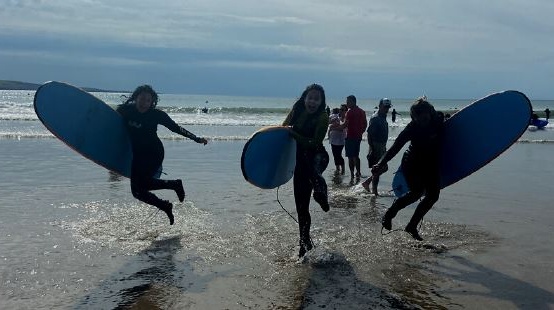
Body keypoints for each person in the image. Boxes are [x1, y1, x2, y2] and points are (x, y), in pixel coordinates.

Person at [117, 85, 208, 225]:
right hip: (137, 154)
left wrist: (196, 138)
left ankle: (173, 189)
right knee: (137, 192)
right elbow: (110, 125)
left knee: (142, 186)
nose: (144, 103)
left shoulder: (156, 115)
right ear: (136, 98)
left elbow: (176, 128)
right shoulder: (125, 111)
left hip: (154, 153)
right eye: (142, 99)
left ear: (151, 102)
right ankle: (167, 201)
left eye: (148, 100)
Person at [372, 97, 444, 241]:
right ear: (413, 117)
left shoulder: (438, 120)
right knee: (416, 192)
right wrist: (380, 163)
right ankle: (390, 213)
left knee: (433, 196)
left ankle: (411, 226)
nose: (421, 122)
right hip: (412, 163)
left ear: (430, 113)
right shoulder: (412, 128)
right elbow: (395, 147)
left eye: (424, 118)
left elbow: (453, 126)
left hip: (431, 162)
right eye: (417, 119)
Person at [282, 84, 330, 258]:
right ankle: (304, 242)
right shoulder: (296, 111)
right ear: (304, 98)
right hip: (300, 162)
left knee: (314, 174)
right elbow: (283, 129)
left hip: (318, 157)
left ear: (321, 102)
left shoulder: (323, 117)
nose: (313, 101)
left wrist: (294, 135)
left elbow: (315, 143)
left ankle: (321, 194)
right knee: (302, 208)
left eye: (317, 99)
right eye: (310, 97)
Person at [362, 98, 391, 194]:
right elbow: (369, 134)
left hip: (382, 145)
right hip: (376, 146)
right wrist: (372, 149)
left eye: (388, 107)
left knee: (383, 168)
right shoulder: (376, 117)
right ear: (380, 106)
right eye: (385, 107)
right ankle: (374, 192)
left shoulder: (383, 116)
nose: (386, 109)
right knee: (378, 169)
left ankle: (367, 182)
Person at [338, 95, 367, 179]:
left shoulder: (349, 112)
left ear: (353, 102)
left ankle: (352, 174)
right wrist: (361, 132)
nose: (347, 104)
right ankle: (358, 172)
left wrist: (333, 127)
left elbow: (344, 125)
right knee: (356, 156)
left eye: (348, 102)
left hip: (350, 136)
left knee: (350, 157)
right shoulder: (362, 111)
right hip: (358, 137)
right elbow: (365, 124)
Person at [328, 107, 346, 173]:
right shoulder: (336, 118)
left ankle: (343, 169)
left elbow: (342, 129)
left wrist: (333, 128)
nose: (340, 111)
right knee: (335, 155)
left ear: (345, 111)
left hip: (340, 140)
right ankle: (337, 168)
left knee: (338, 155)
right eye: (340, 110)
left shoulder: (345, 119)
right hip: (333, 139)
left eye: (342, 110)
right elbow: (329, 123)